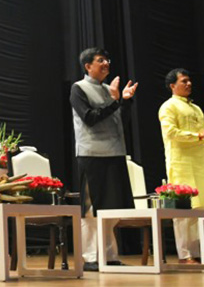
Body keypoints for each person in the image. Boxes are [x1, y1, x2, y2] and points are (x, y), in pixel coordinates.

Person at [69, 47, 137, 271]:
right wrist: (116, 102)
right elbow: (89, 118)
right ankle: (90, 257)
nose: (106, 63)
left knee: (111, 208)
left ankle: (109, 255)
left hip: (115, 152)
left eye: (107, 60)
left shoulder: (110, 90)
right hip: (92, 154)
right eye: (101, 60)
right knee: (90, 208)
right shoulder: (78, 88)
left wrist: (125, 101)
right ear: (88, 66)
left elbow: (119, 122)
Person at [159, 68, 204, 264]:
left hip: (200, 162)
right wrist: (197, 136)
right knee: (184, 211)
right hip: (181, 162)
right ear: (173, 86)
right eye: (184, 81)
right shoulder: (168, 107)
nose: (189, 84)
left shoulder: (196, 109)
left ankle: (199, 252)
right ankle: (185, 254)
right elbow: (171, 133)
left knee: (202, 208)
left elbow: (202, 135)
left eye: (189, 81)